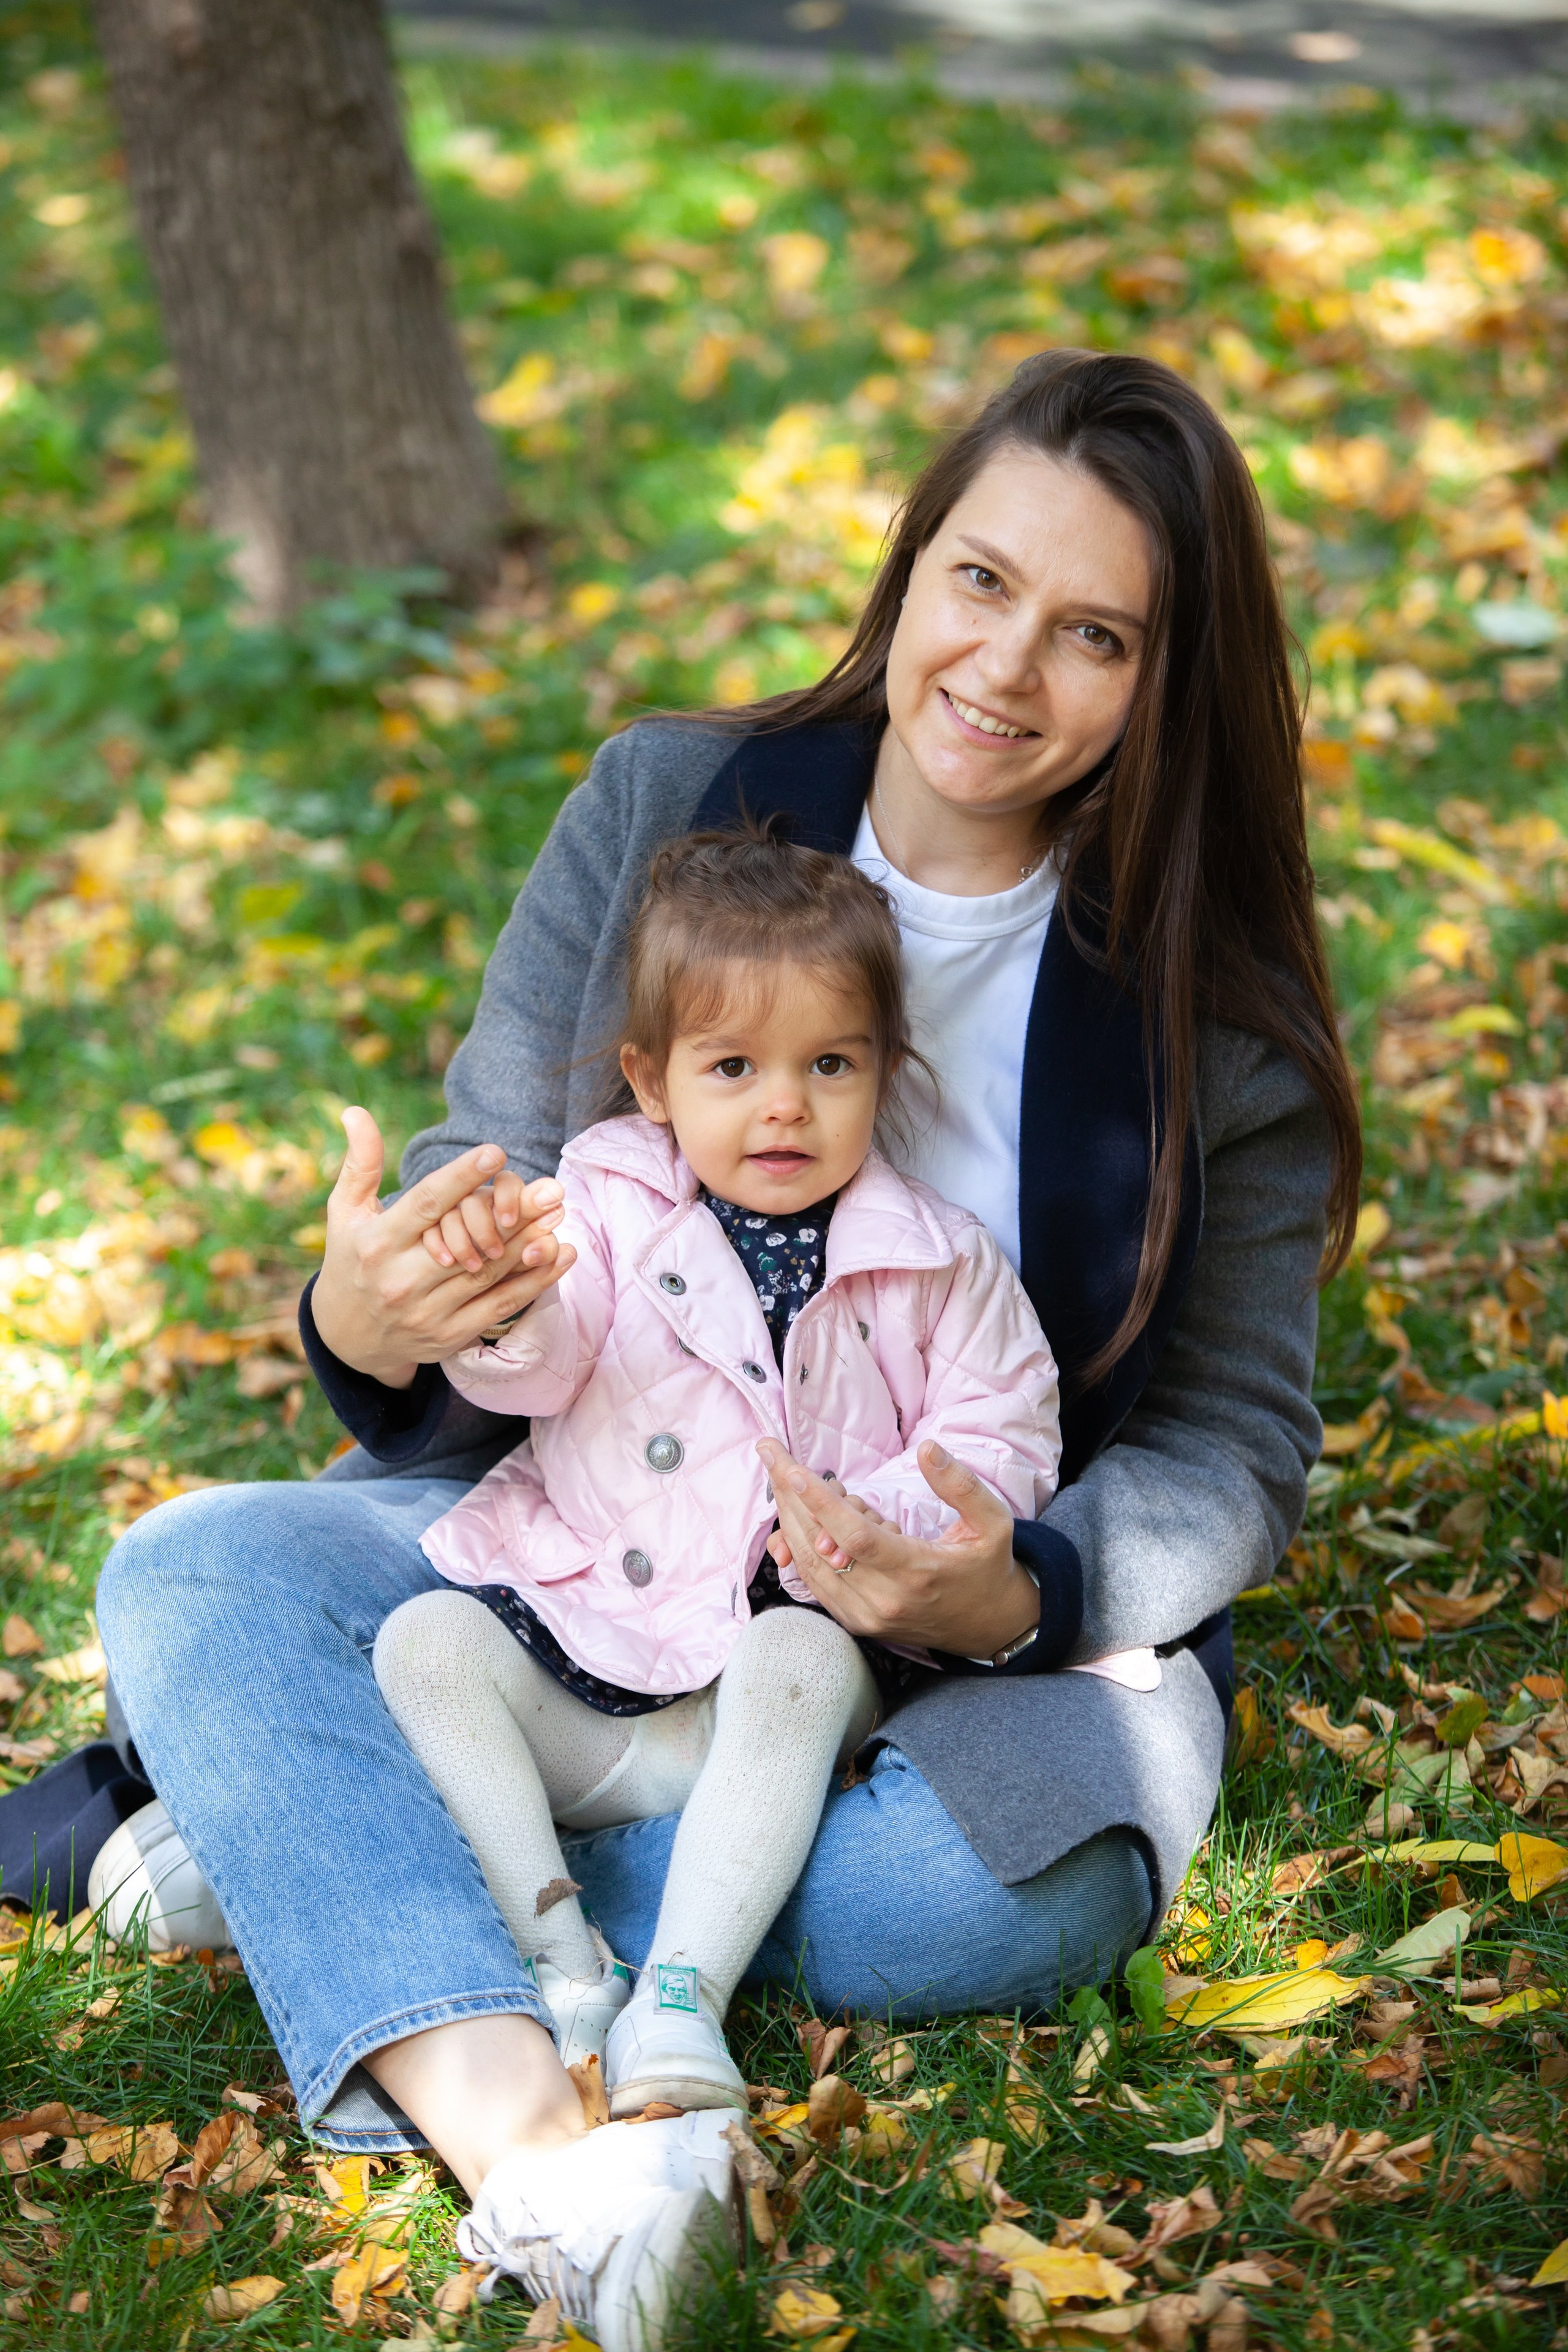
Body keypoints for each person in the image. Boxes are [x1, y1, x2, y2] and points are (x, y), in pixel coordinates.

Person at [94, 349, 1359, 2339]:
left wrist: (1018, 1591)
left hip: (948, 1643)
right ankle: (541, 2155)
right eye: (979, 580)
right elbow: (490, 1185)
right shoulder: (669, 804)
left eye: (1095, 632)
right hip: (597, 1529)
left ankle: (304, 1834)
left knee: (1002, 1897)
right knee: (193, 1567)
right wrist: (375, 1301)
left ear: (1164, 680)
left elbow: (1231, 1449)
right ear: (908, 562)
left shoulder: (1224, 1020)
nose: (1007, 669)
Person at [371, 827, 1084, 2132]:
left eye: (828, 1065)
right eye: (732, 1066)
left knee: (801, 1662)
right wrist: (502, 1304)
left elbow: (1005, 1426)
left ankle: (681, 1997)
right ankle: (564, 1966)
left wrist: (896, 1519)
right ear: (651, 1081)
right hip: (601, 1649)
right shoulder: (598, 1206)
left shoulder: (934, 1255)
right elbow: (537, 1362)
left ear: (883, 1070)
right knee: (424, 1644)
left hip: (769, 1689)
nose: (782, 1107)